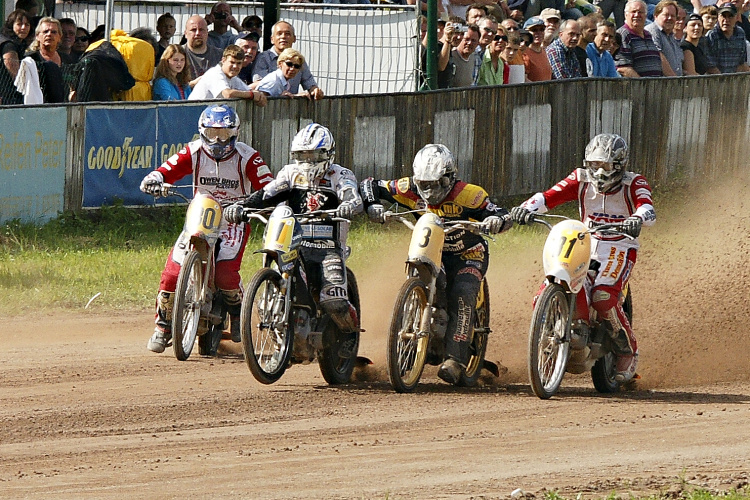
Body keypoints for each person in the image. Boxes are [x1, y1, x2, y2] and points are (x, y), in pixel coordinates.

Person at [360, 144, 513, 385]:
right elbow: (369, 184)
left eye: (436, 183)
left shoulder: (470, 194)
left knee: (463, 291)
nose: (429, 191)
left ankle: (455, 360)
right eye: (424, 184)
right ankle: (408, 350)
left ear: (450, 177)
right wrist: (372, 206)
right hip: (432, 251)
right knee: (416, 277)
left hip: (468, 253)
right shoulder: (407, 188)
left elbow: (501, 213)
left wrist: (496, 221)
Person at [510, 133, 655, 384]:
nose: (599, 171)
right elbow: (548, 197)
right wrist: (523, 209)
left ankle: (627, 350)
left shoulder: (634, 183)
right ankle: (556, 331)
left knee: (602, 296)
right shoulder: (579, 178)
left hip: (620, 244)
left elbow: (648, 207)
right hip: (585, 240)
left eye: (606, 165)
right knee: (549, 287)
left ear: (620, 166)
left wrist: (637, 219)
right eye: (594, 165)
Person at [140, 104, 274, 353]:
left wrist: (260, 204)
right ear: (202, 131)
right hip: (200, 214)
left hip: (233, 218)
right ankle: (163, 326)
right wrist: (154, 180)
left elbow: (268, 186)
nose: (217, 140)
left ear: (235, 133)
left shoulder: (248, 156)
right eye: (212, 133)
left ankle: (236, 310)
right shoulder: (193, 151)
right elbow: (167, 169)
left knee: (225, 274)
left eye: (223, 134)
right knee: (171, 274)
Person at [224, 123, 363, 340]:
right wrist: (242, 206)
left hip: (328, 249)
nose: (307, 162)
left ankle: (349, 337)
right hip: (294, 243)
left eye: (313, 156)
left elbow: (351, 195)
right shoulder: (290, 173)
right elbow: (267, 194)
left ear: (327, 154)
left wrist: (349, 205)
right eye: (302, 155)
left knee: (334, 301)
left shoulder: (341, 175)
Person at [251, 20, 324, 100]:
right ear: (272, 39)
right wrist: (282, 95)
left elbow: (310, 83)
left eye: (287, 34)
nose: (283, 37)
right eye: (279, 34)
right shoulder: (263, 58)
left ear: (294, 38)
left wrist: (315, 91)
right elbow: (260, 87)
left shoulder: (298, 59)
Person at [189, 44, 267, 105]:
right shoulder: (215, 73)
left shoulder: (233, 78)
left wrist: (259, 96)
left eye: (239, 63)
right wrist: (252, 95)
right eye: (232, 62)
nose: (235, 66)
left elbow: (249, 91)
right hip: (192, 116)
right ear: (223, 60)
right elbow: (227, 94)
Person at [615, 0, 664, 77]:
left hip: (655, 86)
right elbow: (623, 68)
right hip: (637, 87)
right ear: (626, 15)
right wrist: (643, 85)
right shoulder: (623, 35)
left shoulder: (648, 35)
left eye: (640, 12)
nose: (637, 15)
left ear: (646, 15)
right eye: (633, 12)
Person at [26, 16, 67, 102]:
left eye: (54, 32)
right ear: (37, 36)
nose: (49, 34)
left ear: (60, 37)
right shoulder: (30, 59)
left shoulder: (68, 59)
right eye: (45, 31)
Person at [704, 2, 750, 72]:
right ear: (718, 17)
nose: (726, 20)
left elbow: (741, 63)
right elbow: (711, 66)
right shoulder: (711, 35)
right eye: (723, 16)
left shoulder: (740, 33)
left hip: (734, 79)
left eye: (730, 16)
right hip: (715, 79)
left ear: (736, 17)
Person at [644, 0, 683, 76]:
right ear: (656, 16)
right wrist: (675, 81)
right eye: (666, 15)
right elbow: (658, 57)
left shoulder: (671, 35)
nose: (669, 18)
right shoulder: (652, 31)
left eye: (673, 16)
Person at [0, 9, 31, 105]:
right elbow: (16, 75)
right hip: (7, 96)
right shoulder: (8, 45)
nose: (23, 28)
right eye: (19, 24)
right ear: (11, 25)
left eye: (27, 25)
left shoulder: (21, 44)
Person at [182, 15, 223, 85]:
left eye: (201, 30)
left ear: (207, 33)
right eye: (193, 30)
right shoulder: (177, 54)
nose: (198, 33)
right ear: (185, 34)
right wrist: (192, 84)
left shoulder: (220, 55)